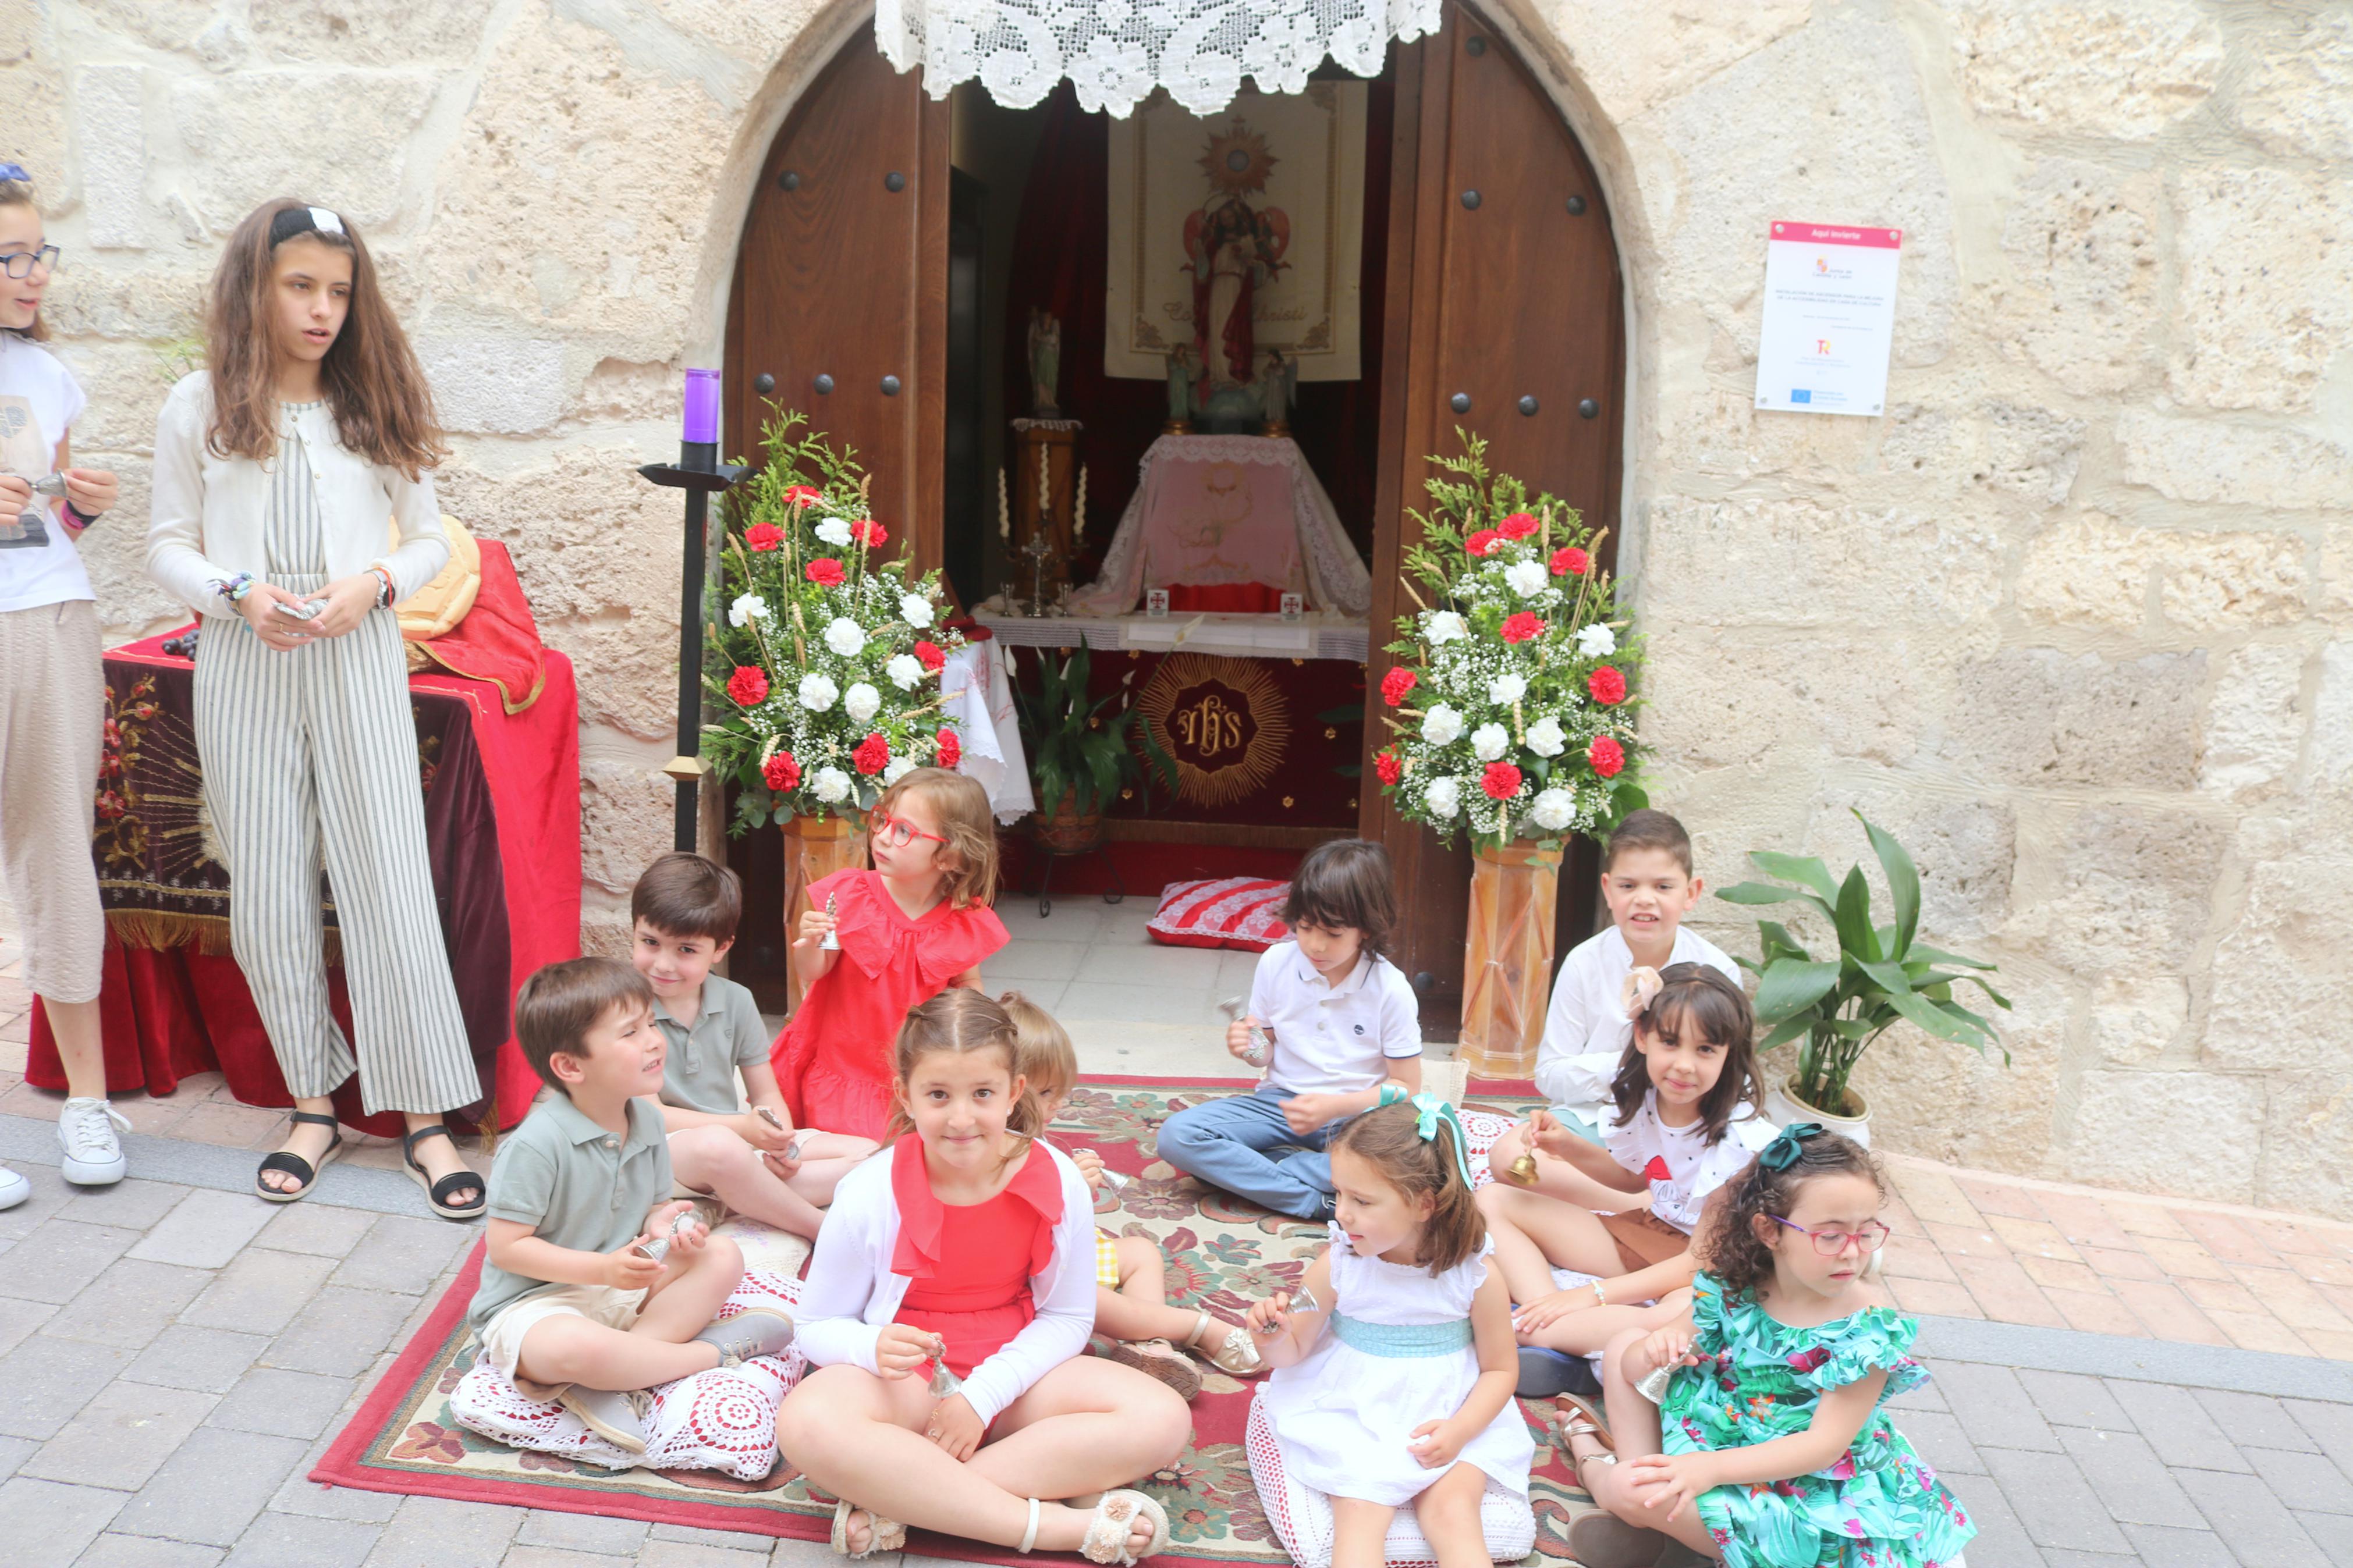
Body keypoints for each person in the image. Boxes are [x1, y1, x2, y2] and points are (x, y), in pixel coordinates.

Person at [146, 198, 483, 1217]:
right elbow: (167, 541)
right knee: (269, 891)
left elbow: (428, 537)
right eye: (301, 285)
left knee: (386, 872)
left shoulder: (370, 398)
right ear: (255, 286)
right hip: (243, 663)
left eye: (338, 290)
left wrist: (375, 585)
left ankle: (424, 1115)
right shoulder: (196, 404)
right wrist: (232, 593)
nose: (321, 308)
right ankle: (312, 1103)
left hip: (358, 655)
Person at [776, 989, 1188, 1564]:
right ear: (906, 1094)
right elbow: (817, 1323)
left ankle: (906, 1498)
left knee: (1162, 1417)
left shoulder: (1060, 1180)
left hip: (1019, 1371)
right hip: (909, 1382)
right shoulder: (868, 1190)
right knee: (806, 1421)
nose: (961, 1117)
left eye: (983, 1094)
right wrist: (868, 1343)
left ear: (1014, 1092)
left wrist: (981, 1398)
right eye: (938, 1094)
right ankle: (1052, 1526)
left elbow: (1068, 1316)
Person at [1560, 1126, 1976, 1568]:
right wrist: (1658, 1349)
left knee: (1632, 1487)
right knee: (1625, 1342)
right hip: (1720, 1426)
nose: (1852, 1253)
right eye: (1830, 1235)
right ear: (1768, 1231)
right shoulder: (1735, 1285)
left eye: (1866, 1232)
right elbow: (1633, 1367)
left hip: (1804, 1488)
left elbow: (1822, 1446)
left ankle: (1602, 1471)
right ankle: (1660, 1507)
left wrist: (1706, 1471)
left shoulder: (1867, 1328)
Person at [471, 958, 796, 1453]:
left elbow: (656, 1206)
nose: (653, 1039)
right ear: (571, 1066)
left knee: (722, 1256)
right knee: (571, 1347)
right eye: (630, 1032)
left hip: (619, 1287)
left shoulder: (645, 1117)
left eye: (650, 1022)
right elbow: (509, 1248)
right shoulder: (537, 1144)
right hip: (536, 1305)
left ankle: (618, 1374)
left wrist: (669, 1222)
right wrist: (603, 1268)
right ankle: (710, 1353)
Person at [1247, 1096, 1532, 1568]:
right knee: (1359, 1511)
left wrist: (1460, 1431)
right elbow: (1292, 1349)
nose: (1343, 1214)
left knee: (1453, 1512)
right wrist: (1271, 1336)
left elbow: (1501, 1368)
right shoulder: (1337, 1264)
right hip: (1355, 1410)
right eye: (1339, 1194)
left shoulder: (1475, 1276)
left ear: (1424, 1203)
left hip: (1448, 1410)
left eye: (1361, 1200)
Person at [0, 163, 130, 1201]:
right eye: (10, 258)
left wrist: (84, 504)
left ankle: (87, 1103)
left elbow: (46, 525)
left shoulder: (49, 377)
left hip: (49, 615)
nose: (33, 275)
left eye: (39, 253)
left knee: (60, 861)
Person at [1480, 966, 1777, 1387]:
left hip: (1710, 1267)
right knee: (1492, 1199)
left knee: (1676, 1319)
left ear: (1730, 1053)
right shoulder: (1648, 1100)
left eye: (1706, 1049)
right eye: (1670, 1042)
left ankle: (1554, 1335)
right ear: (1642, 1036)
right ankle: (1545, 1315)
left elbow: (1701, 1261)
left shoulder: (1739, 1143)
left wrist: (1589, 1295)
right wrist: (1566, 1146)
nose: (1683, 1065)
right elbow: (1634, 1179)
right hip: (1648, 1233)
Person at [1005, 989, 1262, 1399]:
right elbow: (1018, 1237)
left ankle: (1149, 1346)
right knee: (1098, 1303)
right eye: (1046, 1092)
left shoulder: (1031, 1141)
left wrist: (1073, 1189)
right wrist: (1070, 1192)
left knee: (1140, 1251)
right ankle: (1199, 1329)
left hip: (1063, 1257)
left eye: (1060, 1091)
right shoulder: (994, 1151)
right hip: (1028, 1280)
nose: (1058, 1104)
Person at [1157, 839, 1422, 1220]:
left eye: (1333, 934)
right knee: (1177, 1136)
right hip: (1280, 1104)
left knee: (1410, 1160)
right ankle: (1315, 1201)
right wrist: (1246, 1046)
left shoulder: (1390, 988)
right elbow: (1263, 1053)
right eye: (1305, 927)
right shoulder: (1276, 962)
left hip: (1355, 1116)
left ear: (1366, 928)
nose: (1315, 945)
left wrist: (1334, 1106)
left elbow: (1407, 1087)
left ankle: (1268, 1168)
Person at [631, 851, 877, 1236]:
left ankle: (738, 1197)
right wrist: (743, 1129)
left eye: (685, 949)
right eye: (650, 942)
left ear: (721, 948)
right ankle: (822, 1230)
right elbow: (650, 1115)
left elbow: (764, 1092)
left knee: (872, 1153)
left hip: (735, 1146)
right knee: (717, 1148)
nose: (663, 964)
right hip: (659, 1155)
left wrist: (780, 1141)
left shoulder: (736, 1000)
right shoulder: (623, 1008)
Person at [771, 767, 1009, 1142]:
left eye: (904, 832)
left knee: (905, 1161)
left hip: (912, 1073)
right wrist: (811, 943)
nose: (881, 837)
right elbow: (814, 971)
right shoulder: (851, 894)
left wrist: (972, 1022)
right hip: (845, 1068)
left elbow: (967, 982)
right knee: (852, 1157)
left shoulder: (961, 921)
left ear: (949, 856)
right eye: (883, 820)